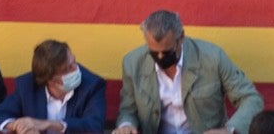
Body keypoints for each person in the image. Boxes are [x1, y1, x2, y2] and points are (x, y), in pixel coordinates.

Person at [113, 10, 264, 134]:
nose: (160, 57)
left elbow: (251, 98)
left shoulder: (212, 57)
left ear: (181, 38)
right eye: (153, 52)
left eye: (166, 52)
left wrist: (229, 130)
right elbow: (128, 110)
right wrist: (126, 125)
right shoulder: (133, 63)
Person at [0, 39, 108, 134]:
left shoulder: (92, 84)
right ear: (50, 79)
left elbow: (94, 126)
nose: (77, 69)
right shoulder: (26, 86)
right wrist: (19, 126)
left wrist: (47, 124)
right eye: (68, 68)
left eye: (74, 61)